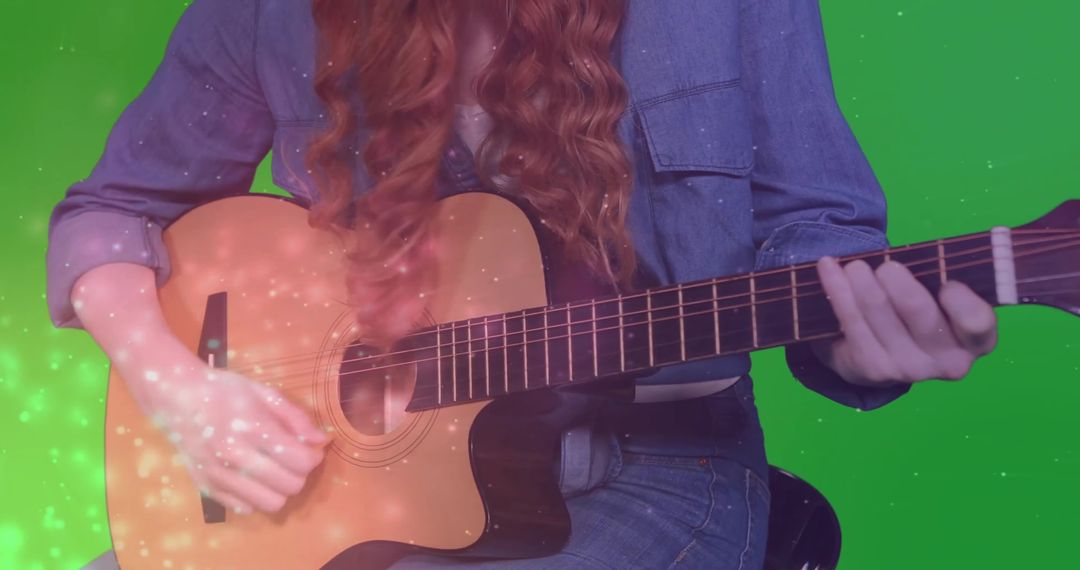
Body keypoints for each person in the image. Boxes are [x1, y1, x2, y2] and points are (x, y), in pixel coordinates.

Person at [50, 1, 998, 568]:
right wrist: (182, 393)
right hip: (360, 491)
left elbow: (813, 233)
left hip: (654, 472)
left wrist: (862, 336)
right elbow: (111, 211)